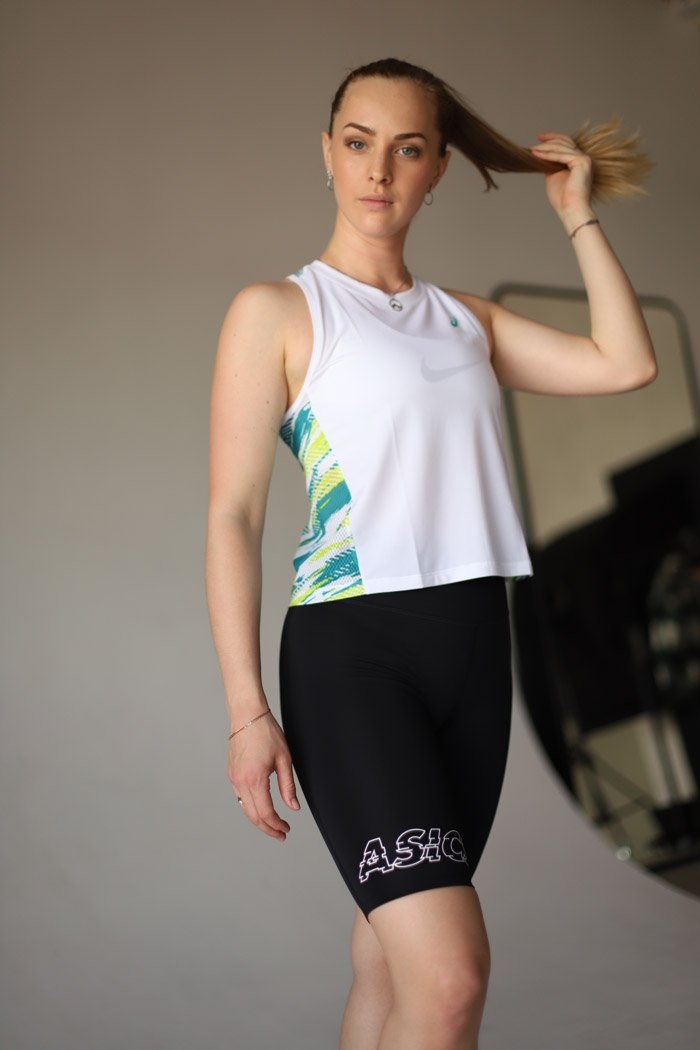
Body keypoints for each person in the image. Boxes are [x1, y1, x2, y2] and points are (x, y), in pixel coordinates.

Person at [205, 58, 657, 1050]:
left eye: (408, 149)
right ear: (327, 154)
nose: (379, 171)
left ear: (439, 168)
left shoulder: (465, 321)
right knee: (450, 981)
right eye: (358, 143)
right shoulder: (278, 312)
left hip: (474, 657)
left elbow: (626, 363)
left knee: (387, 961)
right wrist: (247, 711)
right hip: (353, 655)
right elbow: (233, 515)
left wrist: (575, 212)